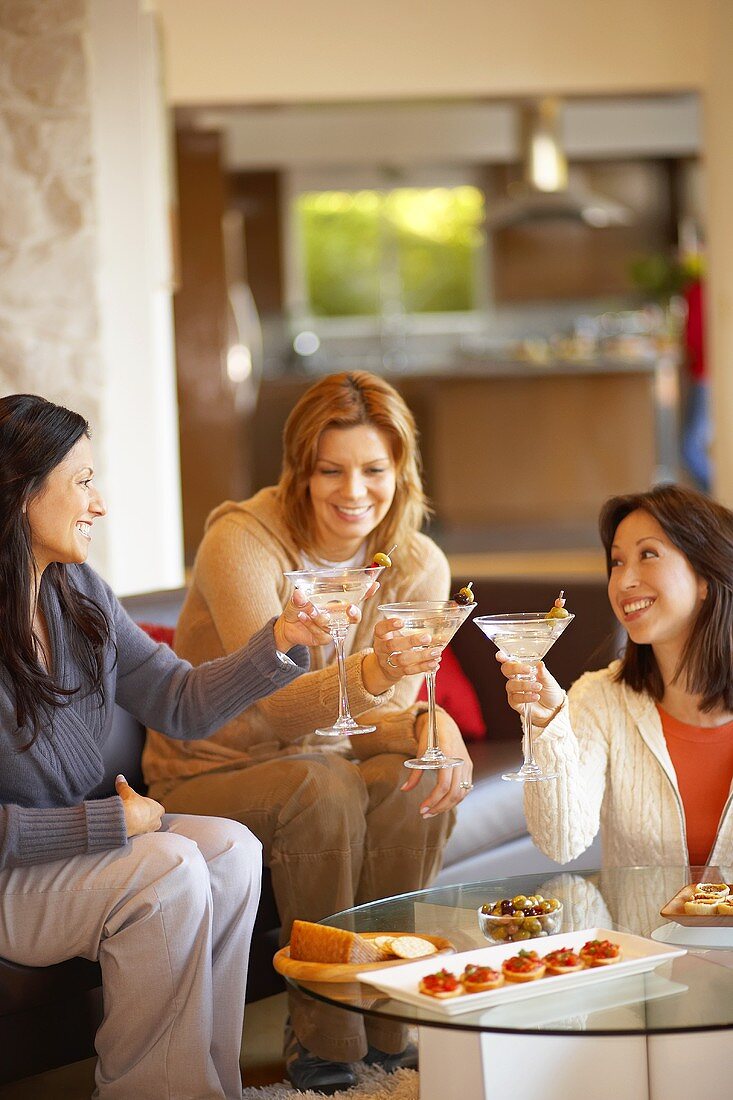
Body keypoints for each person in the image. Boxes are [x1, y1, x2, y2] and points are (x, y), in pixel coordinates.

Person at [0, 393, 344, 1100]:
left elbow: (178, 702)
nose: (98, 505)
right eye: (83, 482)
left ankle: (205, 1086)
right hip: (10, 874)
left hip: (63, 857)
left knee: (230, 850)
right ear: (22, 494)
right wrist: (107, 823)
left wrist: (277, 645)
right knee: (167, 866)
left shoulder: (79, 595)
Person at [143, 370, 473, 1094]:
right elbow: (278, 704)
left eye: (373, 470)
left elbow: (380, 721)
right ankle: (322, 1036)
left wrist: (430, 724)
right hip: (210, 766)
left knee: (408, 773)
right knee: (320, 784)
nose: (353, 491)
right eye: (331, 470)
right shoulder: (243, 542)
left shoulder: (415, 560)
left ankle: (390, 1026)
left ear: (400, 472)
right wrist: (382, 676)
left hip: (325, 760)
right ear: (301, 469)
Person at [497, 483, 733, 871]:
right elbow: (560, 842)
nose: (623, 582)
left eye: (649, 555)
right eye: (617, 562)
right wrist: (547, 726)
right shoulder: (599, 698)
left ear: (706, 578)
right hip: (637, 933)